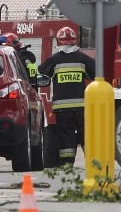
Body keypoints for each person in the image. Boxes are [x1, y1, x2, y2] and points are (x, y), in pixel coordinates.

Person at [37, 26, 95, 167]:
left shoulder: (54, 60)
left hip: (62, 107)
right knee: (85, 134)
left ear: (59, 41)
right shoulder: (83, 58)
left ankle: (67, 164)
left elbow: (41, 72)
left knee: (66, 134)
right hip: (81, 106)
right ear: (74, 41)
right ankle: (93, 163)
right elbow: (95, 73)